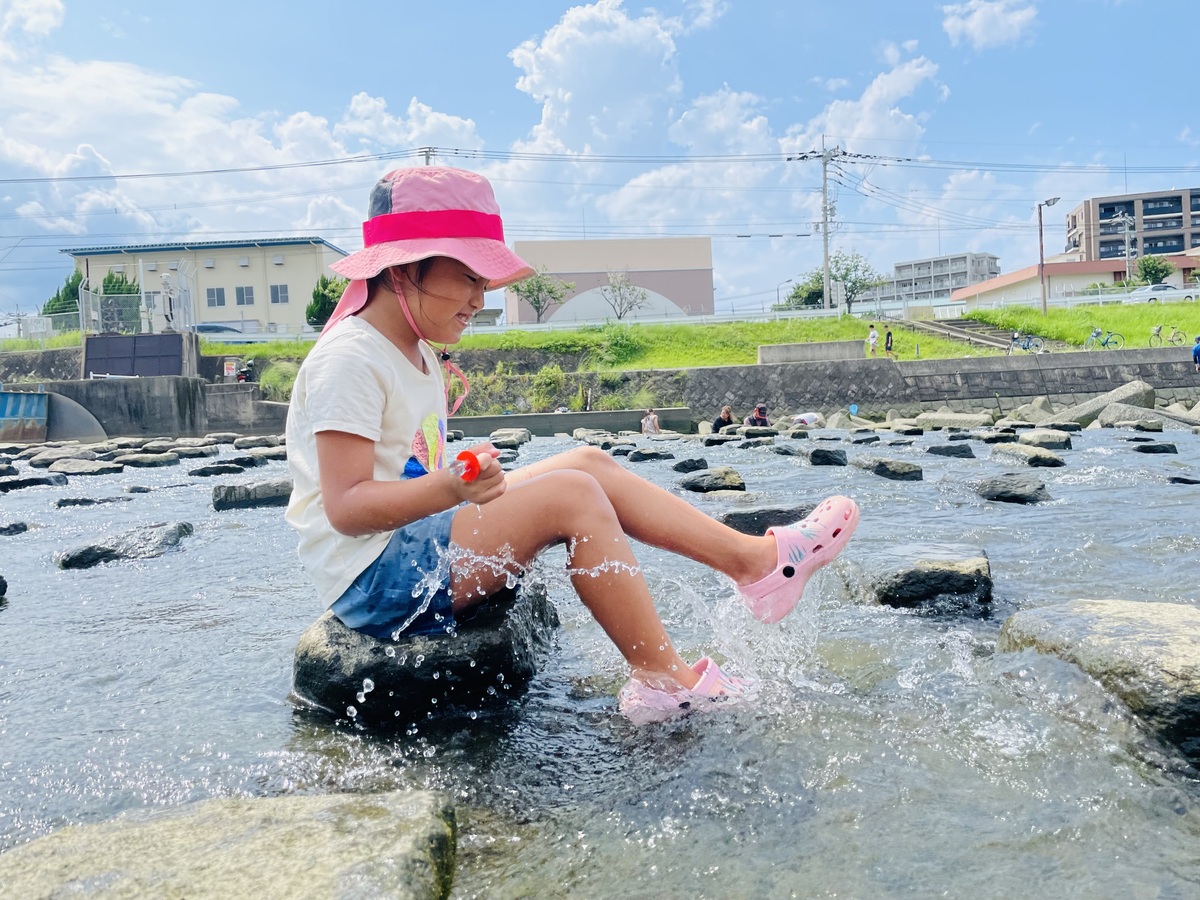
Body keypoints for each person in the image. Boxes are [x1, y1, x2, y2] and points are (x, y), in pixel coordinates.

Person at [285, 166, 859, 726]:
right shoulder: (351, 359)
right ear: (405, 269)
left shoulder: (414, 351)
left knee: (587, 463)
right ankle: (664, 681)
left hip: (416, 542)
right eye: (470, 278)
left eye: (484, 283)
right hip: (376, 578)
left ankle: (759, 565)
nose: (480, 300)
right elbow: (347, 507)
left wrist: (455, 484)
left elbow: (408, 472)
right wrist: (450, 486)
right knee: (571, 496)